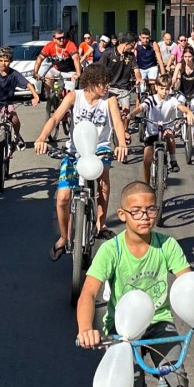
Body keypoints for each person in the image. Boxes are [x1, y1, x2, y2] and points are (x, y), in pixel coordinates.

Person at [76, 180, 194, 387]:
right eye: (136, 211)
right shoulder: (111, 250)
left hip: (159, 324)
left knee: (177, 376)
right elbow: (88, 292)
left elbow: (189, 284)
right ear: (122, 215)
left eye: (150, 209)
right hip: (123, 329)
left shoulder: (166, 245)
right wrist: (86, 329)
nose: (144, 216)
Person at [34, 64, 128, 259]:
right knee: (63, 197)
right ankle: (63, 236)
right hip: (75, 149)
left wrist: (120, 144)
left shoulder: (109, 99)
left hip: (100, 147)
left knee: (103, 178)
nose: (106, 87)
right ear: (91, 83)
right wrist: (42, 138)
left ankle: (100, 224)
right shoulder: (74, 97)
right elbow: (55, 118)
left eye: (107, 83)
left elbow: (117, 123)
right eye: (103, 83)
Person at [0, 47, 40, 175]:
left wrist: (35, 96)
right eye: (1, 60)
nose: (3, 63)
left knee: (15, 119)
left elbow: (28, 84)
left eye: (6, 61)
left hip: (7, 103)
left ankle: (16, 137)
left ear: (10, 61)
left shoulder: (14, 74)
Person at [132, 73, 194, 179]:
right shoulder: (151, 99)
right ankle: (146, 185)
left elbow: (181, 107)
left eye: (167, 89)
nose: (164, 92)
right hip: (152, 133)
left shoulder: (171, 100)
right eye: (161, 88)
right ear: (156, 87)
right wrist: (132, 114)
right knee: (147, 160)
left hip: (166, 128)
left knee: (169, 135)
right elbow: (141, 107)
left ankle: (173, 160)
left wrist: (188, 112)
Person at [100, 33, 142, 152]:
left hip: (124, 88)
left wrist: (138, 78)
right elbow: (100, 69)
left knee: (126, 110)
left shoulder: (131, 56)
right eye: (132, 45)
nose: (133, 48)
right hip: (110, 87)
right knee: (109, 112)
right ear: (126, 44)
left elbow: (136, 70)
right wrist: (103, 83)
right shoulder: (108, 53)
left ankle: (125, 130)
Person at [34, 28, 82, 96]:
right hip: (56, 70)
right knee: (48, 77)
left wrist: (78, 73)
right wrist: (35, 73)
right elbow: (39, 58)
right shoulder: (50, 45)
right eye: (59, 38)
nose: (62, 40)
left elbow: (76, 59)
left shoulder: (70, 44)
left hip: (70, 71)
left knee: (69, 92)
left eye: (63, 37)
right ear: (54, 39)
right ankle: (50, 97)